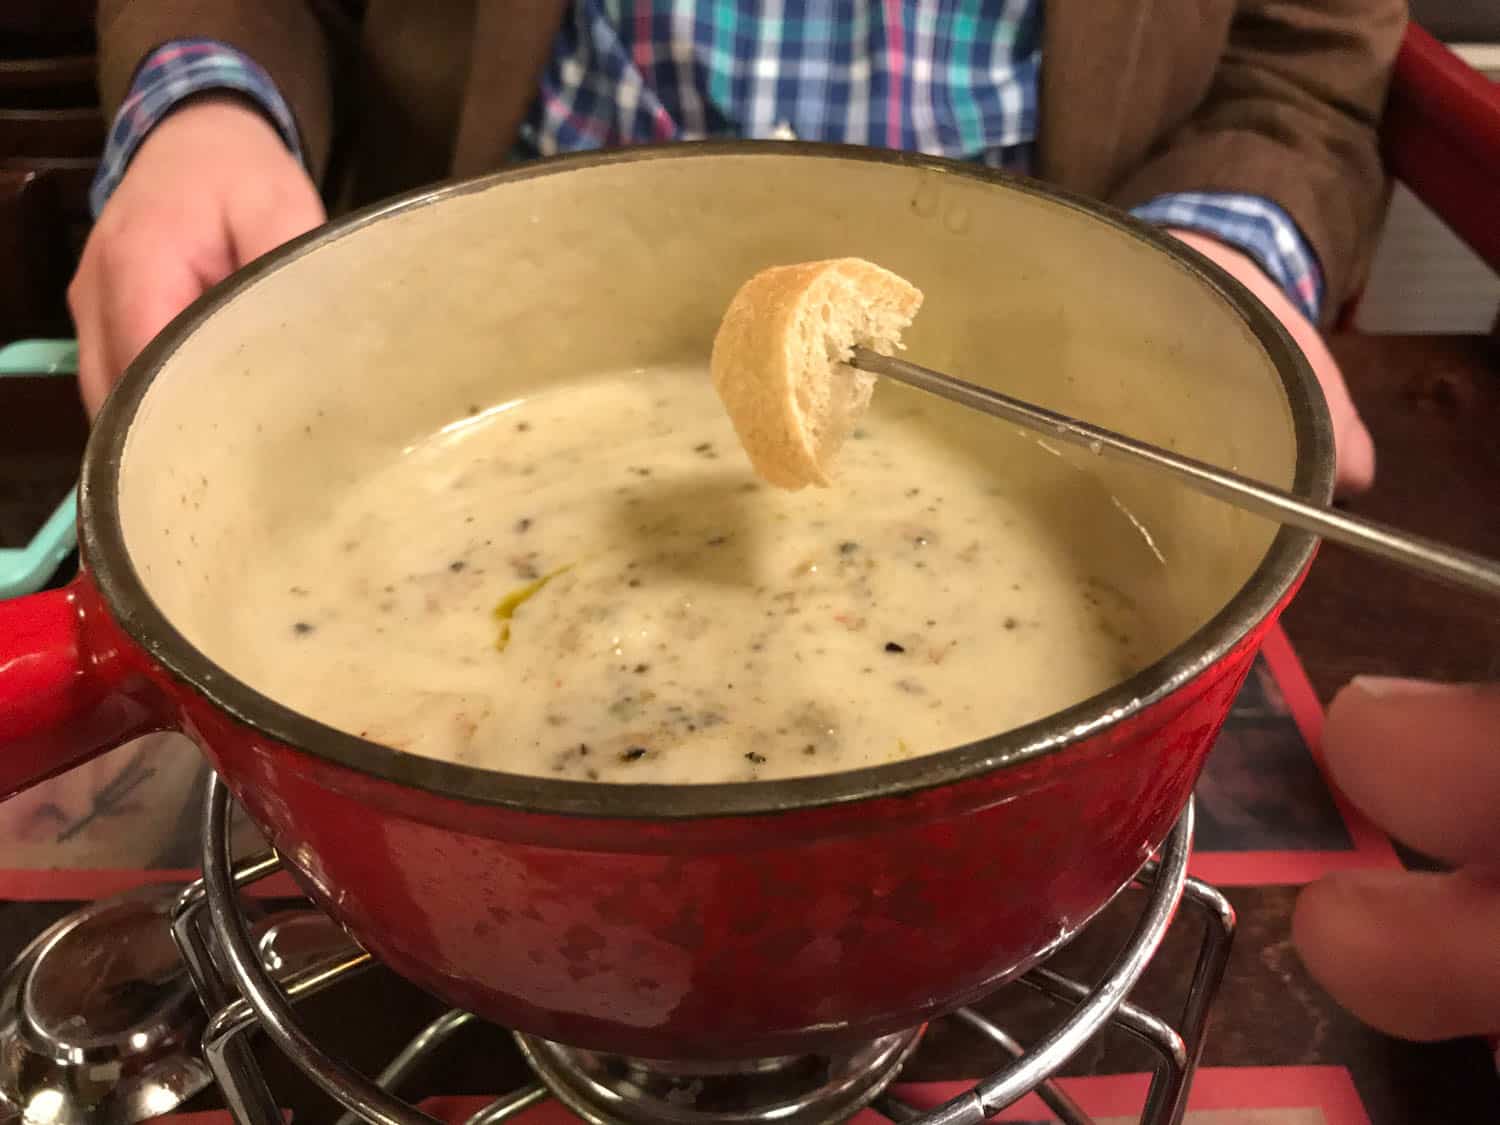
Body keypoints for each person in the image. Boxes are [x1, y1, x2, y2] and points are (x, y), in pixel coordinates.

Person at [72, 2, 1497, 1046]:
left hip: (1057, 335)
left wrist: (1226, 248)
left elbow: (1305, 58)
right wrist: (209, 101)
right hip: (436, 297)